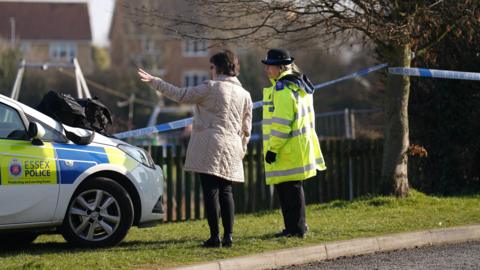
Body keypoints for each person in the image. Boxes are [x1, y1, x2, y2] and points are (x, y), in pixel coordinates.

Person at [138, 50, 252, 248]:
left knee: (211, 192)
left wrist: (155, 81)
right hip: (232, 146)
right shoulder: (245, 95)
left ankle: (214, 237)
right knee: (227, 191)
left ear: (216, 68)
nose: (210, 71)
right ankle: (229, 237)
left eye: (211, 66)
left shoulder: (210, 87)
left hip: (210, 145)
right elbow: (247, 129)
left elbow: (180, 95)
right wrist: (241, 149)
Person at [261, 48, 326, 238]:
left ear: (280, 67)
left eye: (269, 66)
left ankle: (295, 229)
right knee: (291, 189)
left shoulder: (282, 89)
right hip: (297, 146)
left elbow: (282, 124)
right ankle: (296, 227)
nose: (267, 70)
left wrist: (273, 149)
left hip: (286, 148)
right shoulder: (298, 83)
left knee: (288, 190)